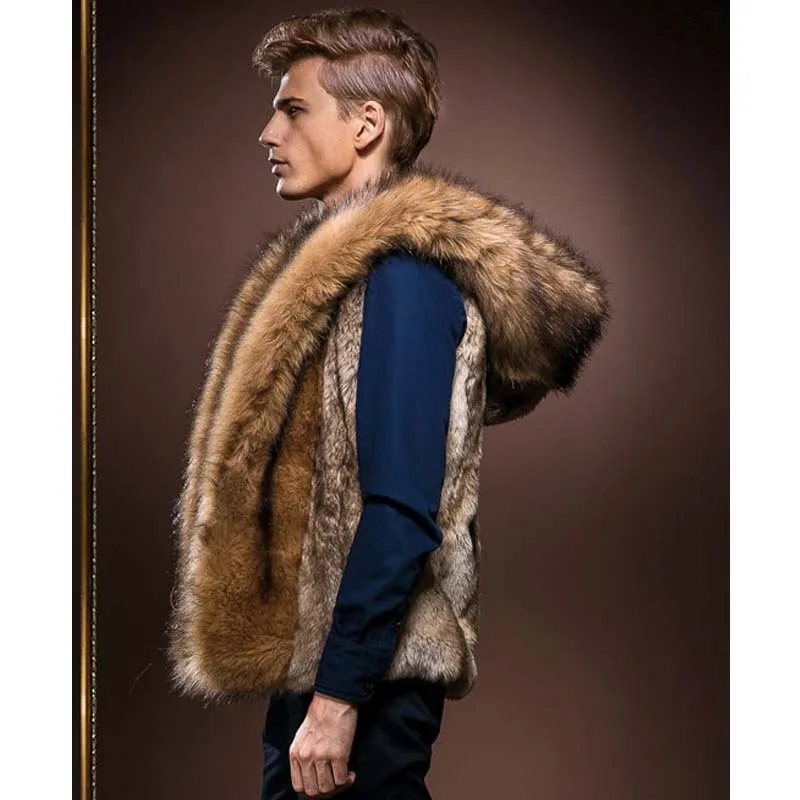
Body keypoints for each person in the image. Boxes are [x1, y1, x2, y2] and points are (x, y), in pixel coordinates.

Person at [166, 7, 611, 800]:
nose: (269, 133)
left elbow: (401, 509)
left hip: (363, 681)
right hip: (331, 666)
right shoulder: (347, 285)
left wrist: (338, 700)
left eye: (293, 109)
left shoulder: (403, 283)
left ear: (367, 124)